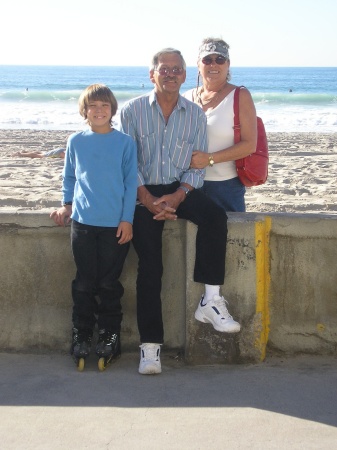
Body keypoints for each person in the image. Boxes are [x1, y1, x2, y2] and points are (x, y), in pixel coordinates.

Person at [120, 48, 240, 376]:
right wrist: (146, 197)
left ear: (185, 75)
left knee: (215, 217)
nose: (171, 74)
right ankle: (150, 346)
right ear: (152, 74)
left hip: (178, 189)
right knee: (151, 266)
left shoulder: (195, 114)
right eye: (164, 69)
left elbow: (197, 167)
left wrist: (177, 195)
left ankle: (211, 300)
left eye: (177, 69)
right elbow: (127, 163)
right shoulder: (131, 111)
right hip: (142, 192)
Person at [50, 84, 137, 370]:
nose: (98, 111)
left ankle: (110, 335)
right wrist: (66, 204)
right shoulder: (76, 141)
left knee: (109, 284)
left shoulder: (125, 143)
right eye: (93, 106)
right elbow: (70, 178)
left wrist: (127, 220)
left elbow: (129, 184)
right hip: (83, 225)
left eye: (104, 106)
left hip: (114, 226)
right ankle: (82, 332)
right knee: (85, 283)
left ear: (112, 110)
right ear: (84, 110)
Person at [184, 37, 257, 212]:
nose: (213, 65)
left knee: (231, 238)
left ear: (228, 64)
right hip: (188, 184)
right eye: (207, 60)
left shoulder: (240, 96)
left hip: (225, 186)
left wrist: (209, 159)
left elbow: (249, 145)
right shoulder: (186, 97)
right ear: (198, 65)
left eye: (220, 59)